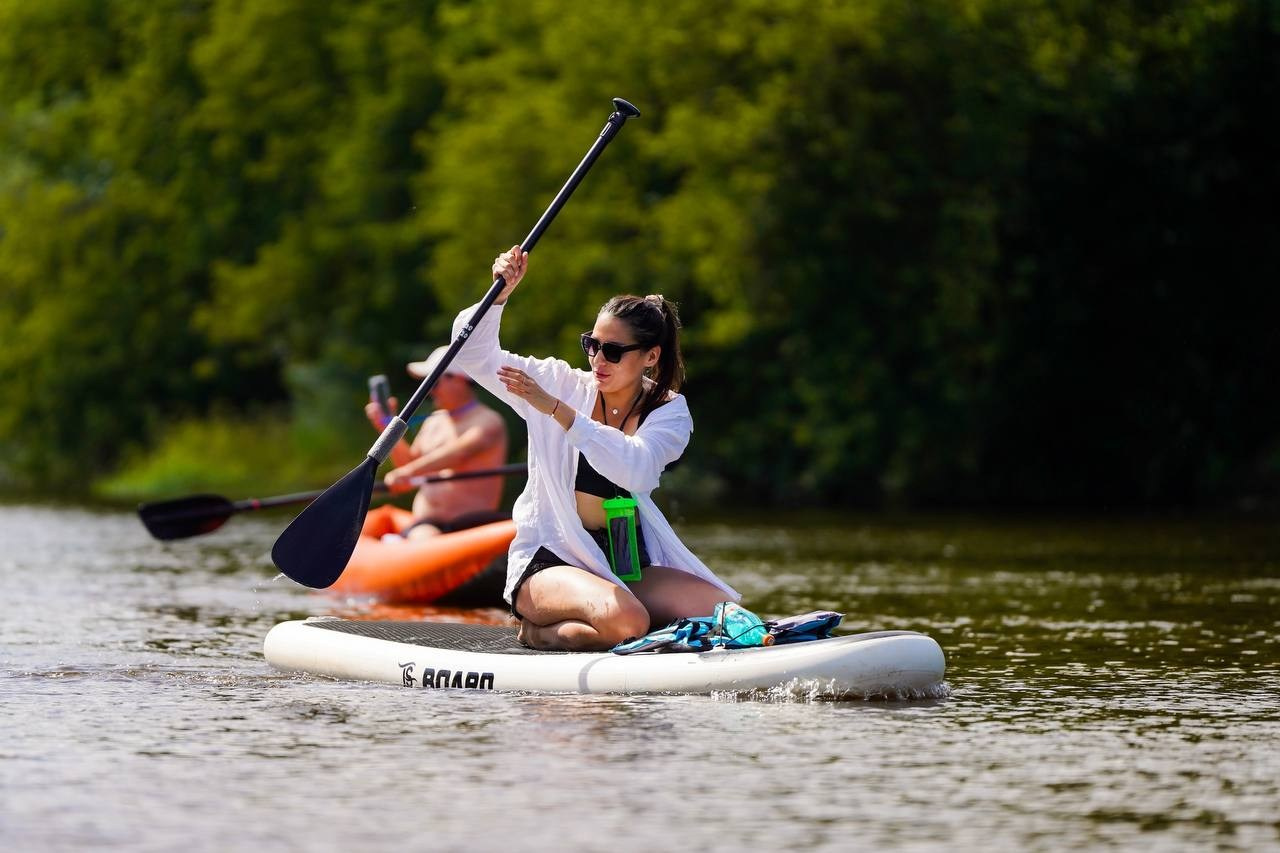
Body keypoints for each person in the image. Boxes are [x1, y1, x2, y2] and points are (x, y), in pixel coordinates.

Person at [449, 245, 740, 651]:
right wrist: (496, 297)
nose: (597, 360)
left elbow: (636, 468)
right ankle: (537, 632)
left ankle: (628, 629)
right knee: (628, 621)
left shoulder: (670, 411)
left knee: (729, 616)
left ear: (650, 357)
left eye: (614, 351)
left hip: (622, 561)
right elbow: (470, 353)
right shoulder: (559, 382)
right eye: (592, 344)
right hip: (549, 559)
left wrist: (558, 412)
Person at [364, 345, 509, 540]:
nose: (430, 390)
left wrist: (408, 472)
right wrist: (387, 427)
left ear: (459, 380)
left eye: (434, 382)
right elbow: (408, 465)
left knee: (422, 538)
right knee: (421, 535)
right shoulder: (434, 421)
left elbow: (458, 454)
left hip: (471, 523)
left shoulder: (489, 421)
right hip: (427, 523)